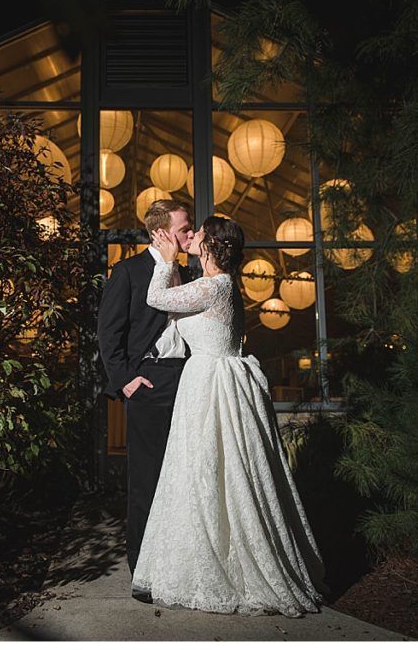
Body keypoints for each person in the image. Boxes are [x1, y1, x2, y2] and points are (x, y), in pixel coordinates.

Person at [131, 215, 331, 617]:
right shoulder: (214, 285)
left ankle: (226, 564)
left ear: (210, 245)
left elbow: (157, 298)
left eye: (197, 235)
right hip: (210, 381)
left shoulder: (213, 285)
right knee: (205, 471)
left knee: (213, 469)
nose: (191, 238)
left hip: (211, 386)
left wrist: (165, 260)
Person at [96, 199, 195, 602]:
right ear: (161, 232)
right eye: (185, 228)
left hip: (190, 381)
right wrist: (125, 381)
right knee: (148, 479)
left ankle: (181, 563)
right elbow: (108, 332)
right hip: (149, 382)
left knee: (186, 477)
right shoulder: (129, 271)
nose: (190, 234)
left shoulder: (190, 273)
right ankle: (143, 571)